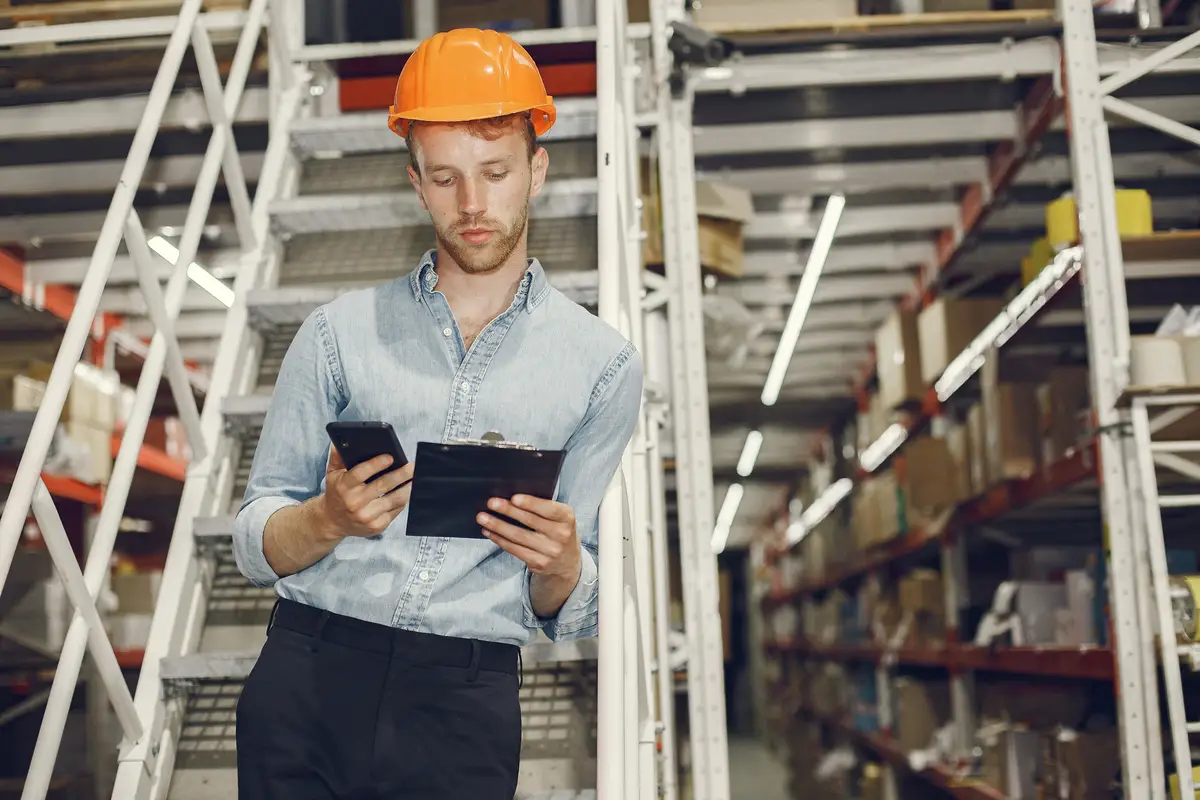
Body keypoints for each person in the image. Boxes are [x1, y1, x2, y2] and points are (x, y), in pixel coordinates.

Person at [230, 27, 643, 800]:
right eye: (446, 179)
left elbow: (569, 606)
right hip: (309, 677)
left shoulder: (603, 367)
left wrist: (560, 564)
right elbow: (256, 540)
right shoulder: (334, 336)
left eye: (495, 172)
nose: (474, 204)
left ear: (537, 169)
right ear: (416, 183)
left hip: (464, 701)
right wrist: (326, 518)